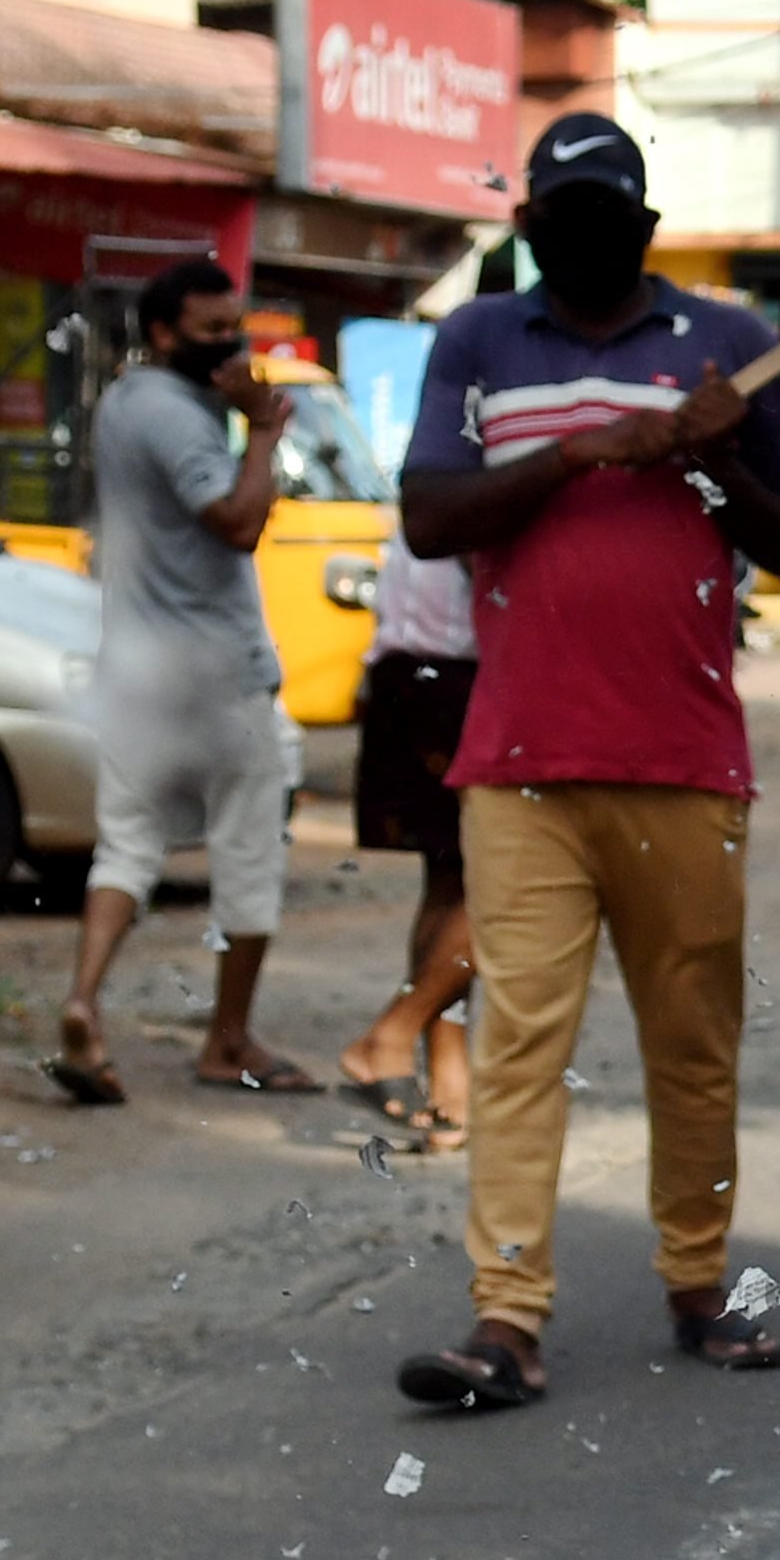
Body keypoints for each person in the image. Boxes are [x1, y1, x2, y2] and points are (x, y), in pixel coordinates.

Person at [386, 113, 780, 1408]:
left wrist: (717, 454)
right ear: (528, 229)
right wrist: (581, 451)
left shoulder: (730, 345)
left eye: (607, 221)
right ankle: (506, 1319)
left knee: (692, 1041)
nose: (584, 241)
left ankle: (699, 1284)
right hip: (520, 761)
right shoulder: (477, 341)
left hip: (684, 758)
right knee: (520, 1042)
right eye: (561, 221)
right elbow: (428, 516)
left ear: (645, 229)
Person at [49, 254, 314, 1102]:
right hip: (220, 674)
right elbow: (236, 522)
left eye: (234, 325)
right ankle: (227, 1040)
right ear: (163, 333)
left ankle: (83, 1003)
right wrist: (263, 432)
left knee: (126, 846)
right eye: (211, 330)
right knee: (248, 856)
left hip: (138, 668)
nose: (230, 342)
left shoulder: (126, 401)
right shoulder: (180, 418)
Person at [332, 484, 481, 1148]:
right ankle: (391, 1036)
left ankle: (450, 1087)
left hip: (407, 667)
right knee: (510, 886)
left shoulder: (443, 450)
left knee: (451, 883)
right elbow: (489, 560)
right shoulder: (491, 452)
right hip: (462, 673)